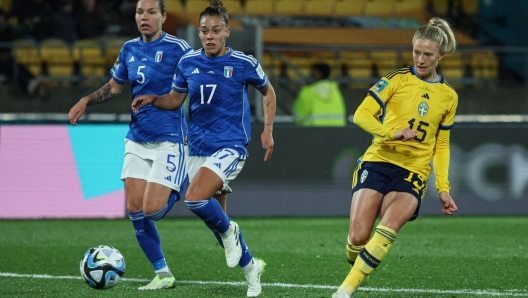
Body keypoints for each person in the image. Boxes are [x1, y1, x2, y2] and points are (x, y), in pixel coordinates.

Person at [131, 1, 276, 296]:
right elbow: (174, 99)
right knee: (216, 226)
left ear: (227, 33)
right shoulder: (188, 64)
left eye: (216, 31)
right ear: (199, 33)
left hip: (230, 146)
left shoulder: (243, 63)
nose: (210, 36)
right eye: (205, 31)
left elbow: (268, 91)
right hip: (197, 148)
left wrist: (268, 129)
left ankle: (231, 231)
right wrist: (153, 99)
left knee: (195, 199)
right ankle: (252, 270)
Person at [68, 0, 192, 290]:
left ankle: (181, 184)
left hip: (170, 138)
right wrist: (86, 100)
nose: (144, 17)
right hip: (137, 137)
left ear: (163, 17)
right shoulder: (129, 49)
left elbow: (196, 84)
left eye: (151, 12)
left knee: (152, 209)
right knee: (135, 207)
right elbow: (114, 87)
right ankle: (163, 274)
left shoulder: (180, 49)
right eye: (139, 12)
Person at [332, 17, 459, 298]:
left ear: (441, 56)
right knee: (359, 237)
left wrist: (443, 188)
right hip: (379, 159)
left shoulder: (449, 96)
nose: (421, 59)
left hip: (414, 171)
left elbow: (442, 145)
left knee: (388, 226)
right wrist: (391, 133)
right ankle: (358, 266)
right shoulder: (396, 79)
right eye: (416, 52)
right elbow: (360, 115)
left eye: (428, 54)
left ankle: (344, 291)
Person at [0, 8, 51, 99]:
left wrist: (28, 25)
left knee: (18, 66)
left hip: (6, 59)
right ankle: (30, 85)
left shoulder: (7, 28)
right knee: (13, 69)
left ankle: (34, 82)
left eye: (1, 17)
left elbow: (21, 31)